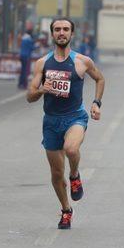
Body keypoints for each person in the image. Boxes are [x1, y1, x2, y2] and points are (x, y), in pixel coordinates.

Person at [27, 18, 105, 230]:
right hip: (51, 121)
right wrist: (43, 89)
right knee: (55, 173)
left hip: (75, 117)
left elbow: (100, 79)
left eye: (66, 29)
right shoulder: (42, 63)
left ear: (72, 33)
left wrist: (96, 103)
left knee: (71, 149)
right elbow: (30, 96)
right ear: (52, 34)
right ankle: (66, 210)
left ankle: (75, 175)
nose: (62, 33)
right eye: (57, 29)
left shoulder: (82, 61)